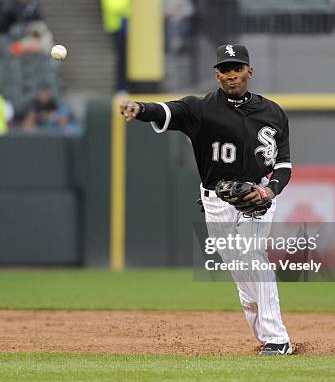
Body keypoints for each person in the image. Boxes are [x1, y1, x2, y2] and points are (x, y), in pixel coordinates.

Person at [119, 44, 293, 355]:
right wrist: (141, 109)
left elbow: (283, 165)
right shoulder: (201, 109)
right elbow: (167, 110)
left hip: (257, 196)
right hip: (216, 201)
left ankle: (277, 338)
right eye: (225, 69)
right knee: (241, 273)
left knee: (253, 254)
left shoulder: (273, 112)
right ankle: (266, 338)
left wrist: (268, 191)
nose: (231, 75)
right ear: (217, 75)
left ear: (249, 71)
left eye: (237, 68)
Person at [100, 0, 130, 92]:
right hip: (117, 28)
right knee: (122, 59)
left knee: (128, 59)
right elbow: (115, 7)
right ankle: (121, 87)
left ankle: (126, 86)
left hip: (128, 28)